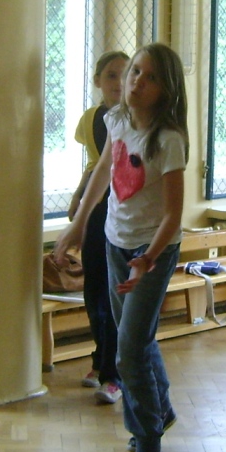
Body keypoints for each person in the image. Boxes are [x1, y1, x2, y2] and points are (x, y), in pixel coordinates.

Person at [53, 43, 188, 452]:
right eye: (134, 72)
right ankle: (158, 410)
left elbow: (173, 214)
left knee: (127, 350)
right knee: (136, 339)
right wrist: (77, 225)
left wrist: (147, 259)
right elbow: (102, 174)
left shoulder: (168, 141)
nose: (136, 81)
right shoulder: (116, 120)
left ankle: (149, 449)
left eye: (150, 77)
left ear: (166, 89)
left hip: (152, 252)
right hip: (115, 242)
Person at [67, 50, 130, 405]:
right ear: (97, 81)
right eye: (111, 75)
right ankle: (99, 359)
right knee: (94, 289)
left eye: (126, 74)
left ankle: (113, 374)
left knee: (113, 291)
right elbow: (95, 164)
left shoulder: (136, 118)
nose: (118, 82)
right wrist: (79, 197)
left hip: (122, 209)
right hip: (96, 207)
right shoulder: (91, 119)